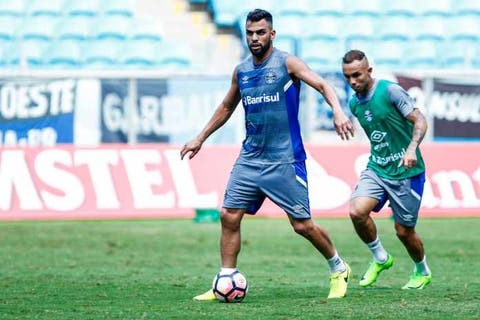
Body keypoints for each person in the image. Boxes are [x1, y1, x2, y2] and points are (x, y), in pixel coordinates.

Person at [180, 8, 355, 300]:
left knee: (302, 225)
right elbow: (226, 107)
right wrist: (200, 138)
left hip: (284, 159)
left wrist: (338, 111)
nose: (254, 38)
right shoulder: (242, 71)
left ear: (271, 34)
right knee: (229, 215)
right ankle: (225, 280)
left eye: (260, 32)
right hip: (250, 158)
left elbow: (323, 84)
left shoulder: (288, 63)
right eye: (250, 33)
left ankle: (338, 267)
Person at [341, 49, 432, 290]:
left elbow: (420, 120)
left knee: (404, 231)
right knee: (356, 211)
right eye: (347, 76)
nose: (352, 81)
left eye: (357, 75)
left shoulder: (390, 91)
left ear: (369, 71)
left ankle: (422, 271)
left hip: (407, 171)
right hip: (378, 168)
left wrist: (411, 149)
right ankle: (381, 258)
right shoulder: (353, 103)